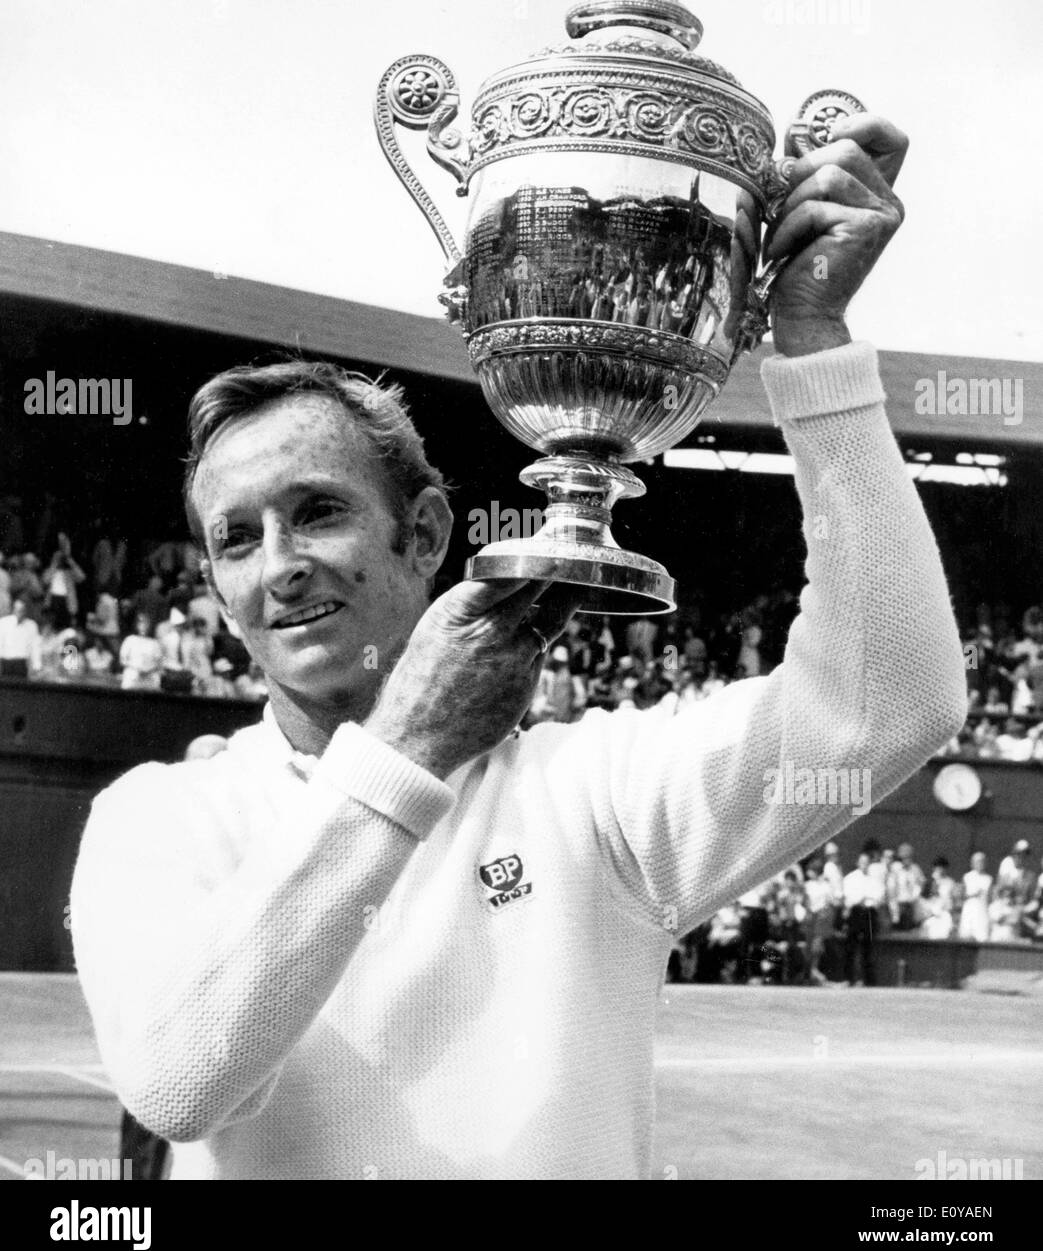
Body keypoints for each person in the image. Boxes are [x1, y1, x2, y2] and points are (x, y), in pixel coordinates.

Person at [71, 112, 967, 1179]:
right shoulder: (154, 817)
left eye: (317, 512)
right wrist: (403, 748)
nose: (280, 565)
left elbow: (892, 698)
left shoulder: (588, 792)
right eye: (235, 539)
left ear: (425, 537)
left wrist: (812, 346)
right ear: (215, 590)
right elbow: (180, 1081)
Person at [842, 852, 886, 986]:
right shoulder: (851, 878)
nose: (864, 865)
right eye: (862, 862)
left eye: (867, 863)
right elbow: (850, 896)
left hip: (869, 913)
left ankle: (868, 981)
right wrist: (863, 898)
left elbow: (878, 897)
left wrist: (866, 898)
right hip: (855, 913)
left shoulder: (874, 879)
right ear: (858, 863)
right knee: (851, 946)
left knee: (868, 947)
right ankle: (849, 979)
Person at [119, 613, 163, 691]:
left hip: (149, 677)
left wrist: (148, 670)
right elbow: (123, 660)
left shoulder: (154, 643)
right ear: (137, 625)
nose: (144, 626)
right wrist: (137, 669)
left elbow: (159, 663)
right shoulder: (130, 640)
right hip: (133, 675)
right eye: (141, 623)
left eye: (146, 623)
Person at [888, 842, 926, 931]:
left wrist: (915, 896)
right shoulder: (895, 869)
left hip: (912, 903)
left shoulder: (915, 869)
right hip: (899, 903)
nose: (907, 859)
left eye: (909, 857)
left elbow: (921, 883)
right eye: (904, 857)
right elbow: (891, 888)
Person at [0, 597, 42, 678]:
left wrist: (37, 665)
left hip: (22, 664)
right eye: (17, 609)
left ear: (26, 611)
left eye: (22, 610)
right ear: (13, 609)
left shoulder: (32, 625)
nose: (20, 612)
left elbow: (35, 646)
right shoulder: (3, 623)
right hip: (5, 663)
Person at [958, 851, 992, 942]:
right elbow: (960, 896)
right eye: (977, 861)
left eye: (982, 861)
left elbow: (991, 898)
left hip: (982, 911)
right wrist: (972, 894)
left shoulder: (988, 879)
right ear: (972, 863)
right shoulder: (967, 877)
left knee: (982, 938)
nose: (980, 864)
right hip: (969, 911)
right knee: (965, 939)